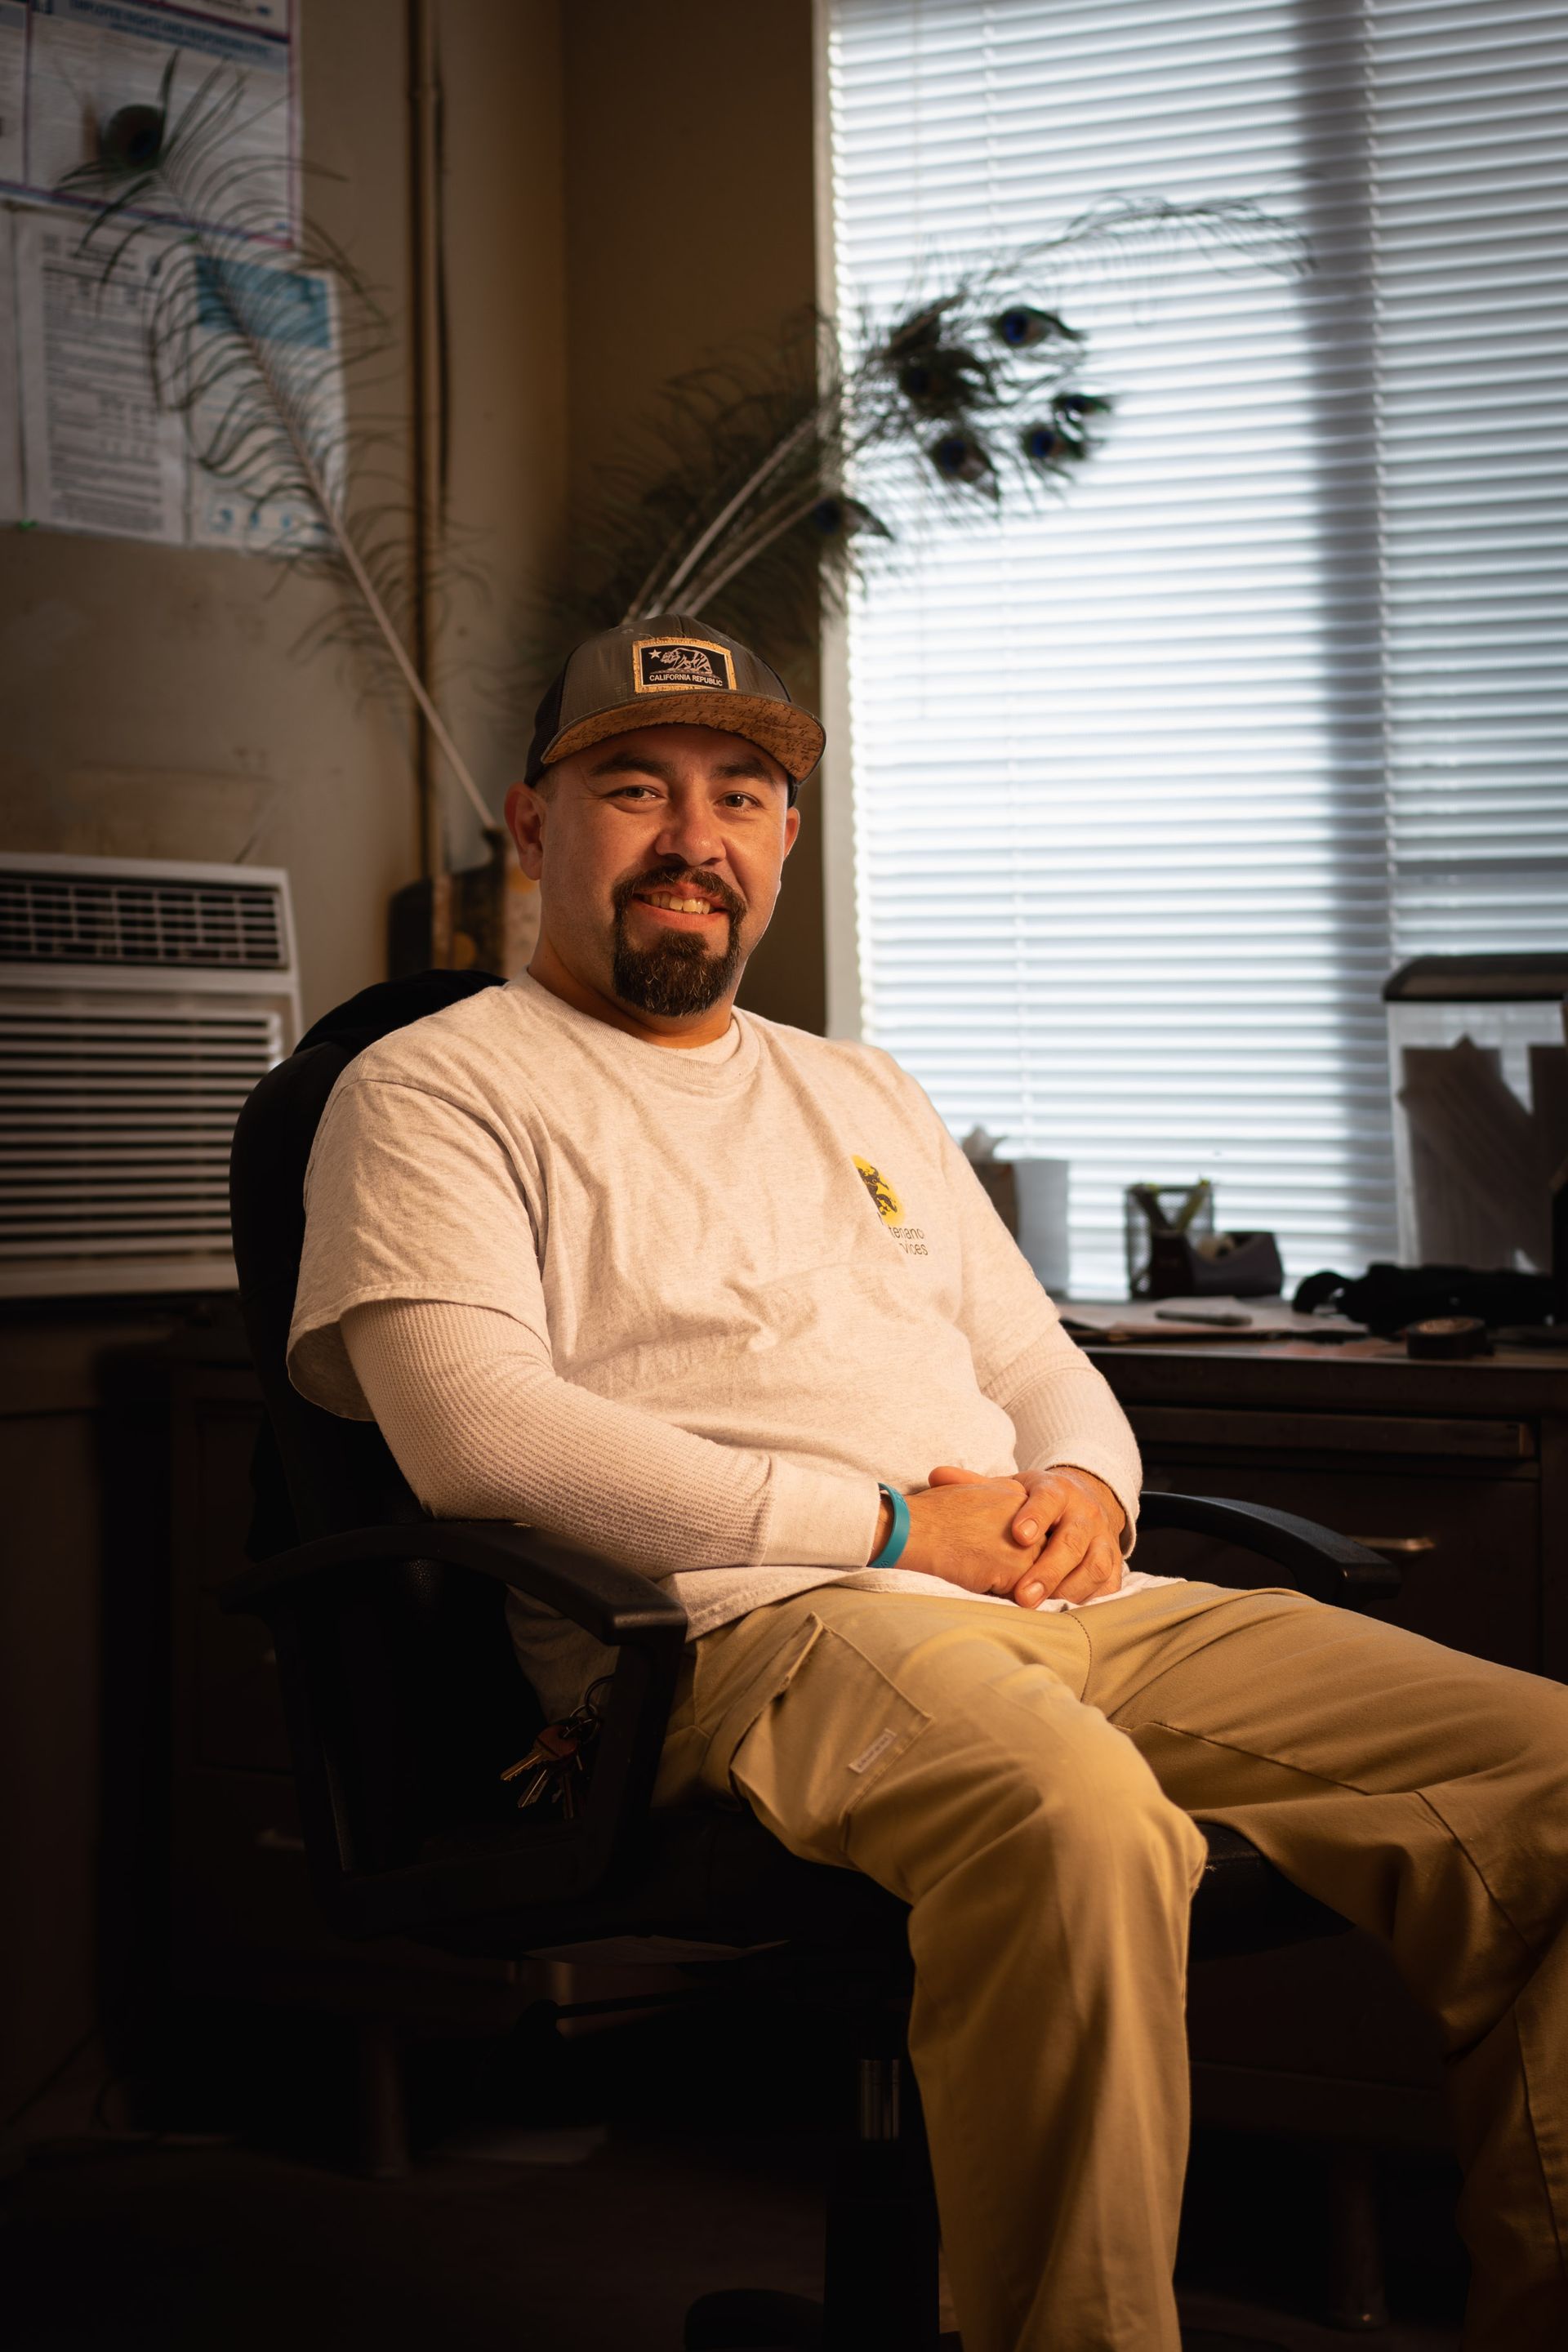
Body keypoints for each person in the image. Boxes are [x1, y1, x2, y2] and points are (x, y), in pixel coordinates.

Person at [287, 613, 1568, 2352]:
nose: (696, 838)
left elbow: (1037, 1364)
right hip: (750, 1635)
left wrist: (1093, 1494)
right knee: (1078, 1819)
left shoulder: (859, 1088)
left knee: (1546, 1773)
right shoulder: (434, 1088)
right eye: (634, 789)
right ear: (533, 824)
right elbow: (477, 1435)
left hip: (1064, 1600)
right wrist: (891, 1528)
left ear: (786, 843)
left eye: (743, 796)